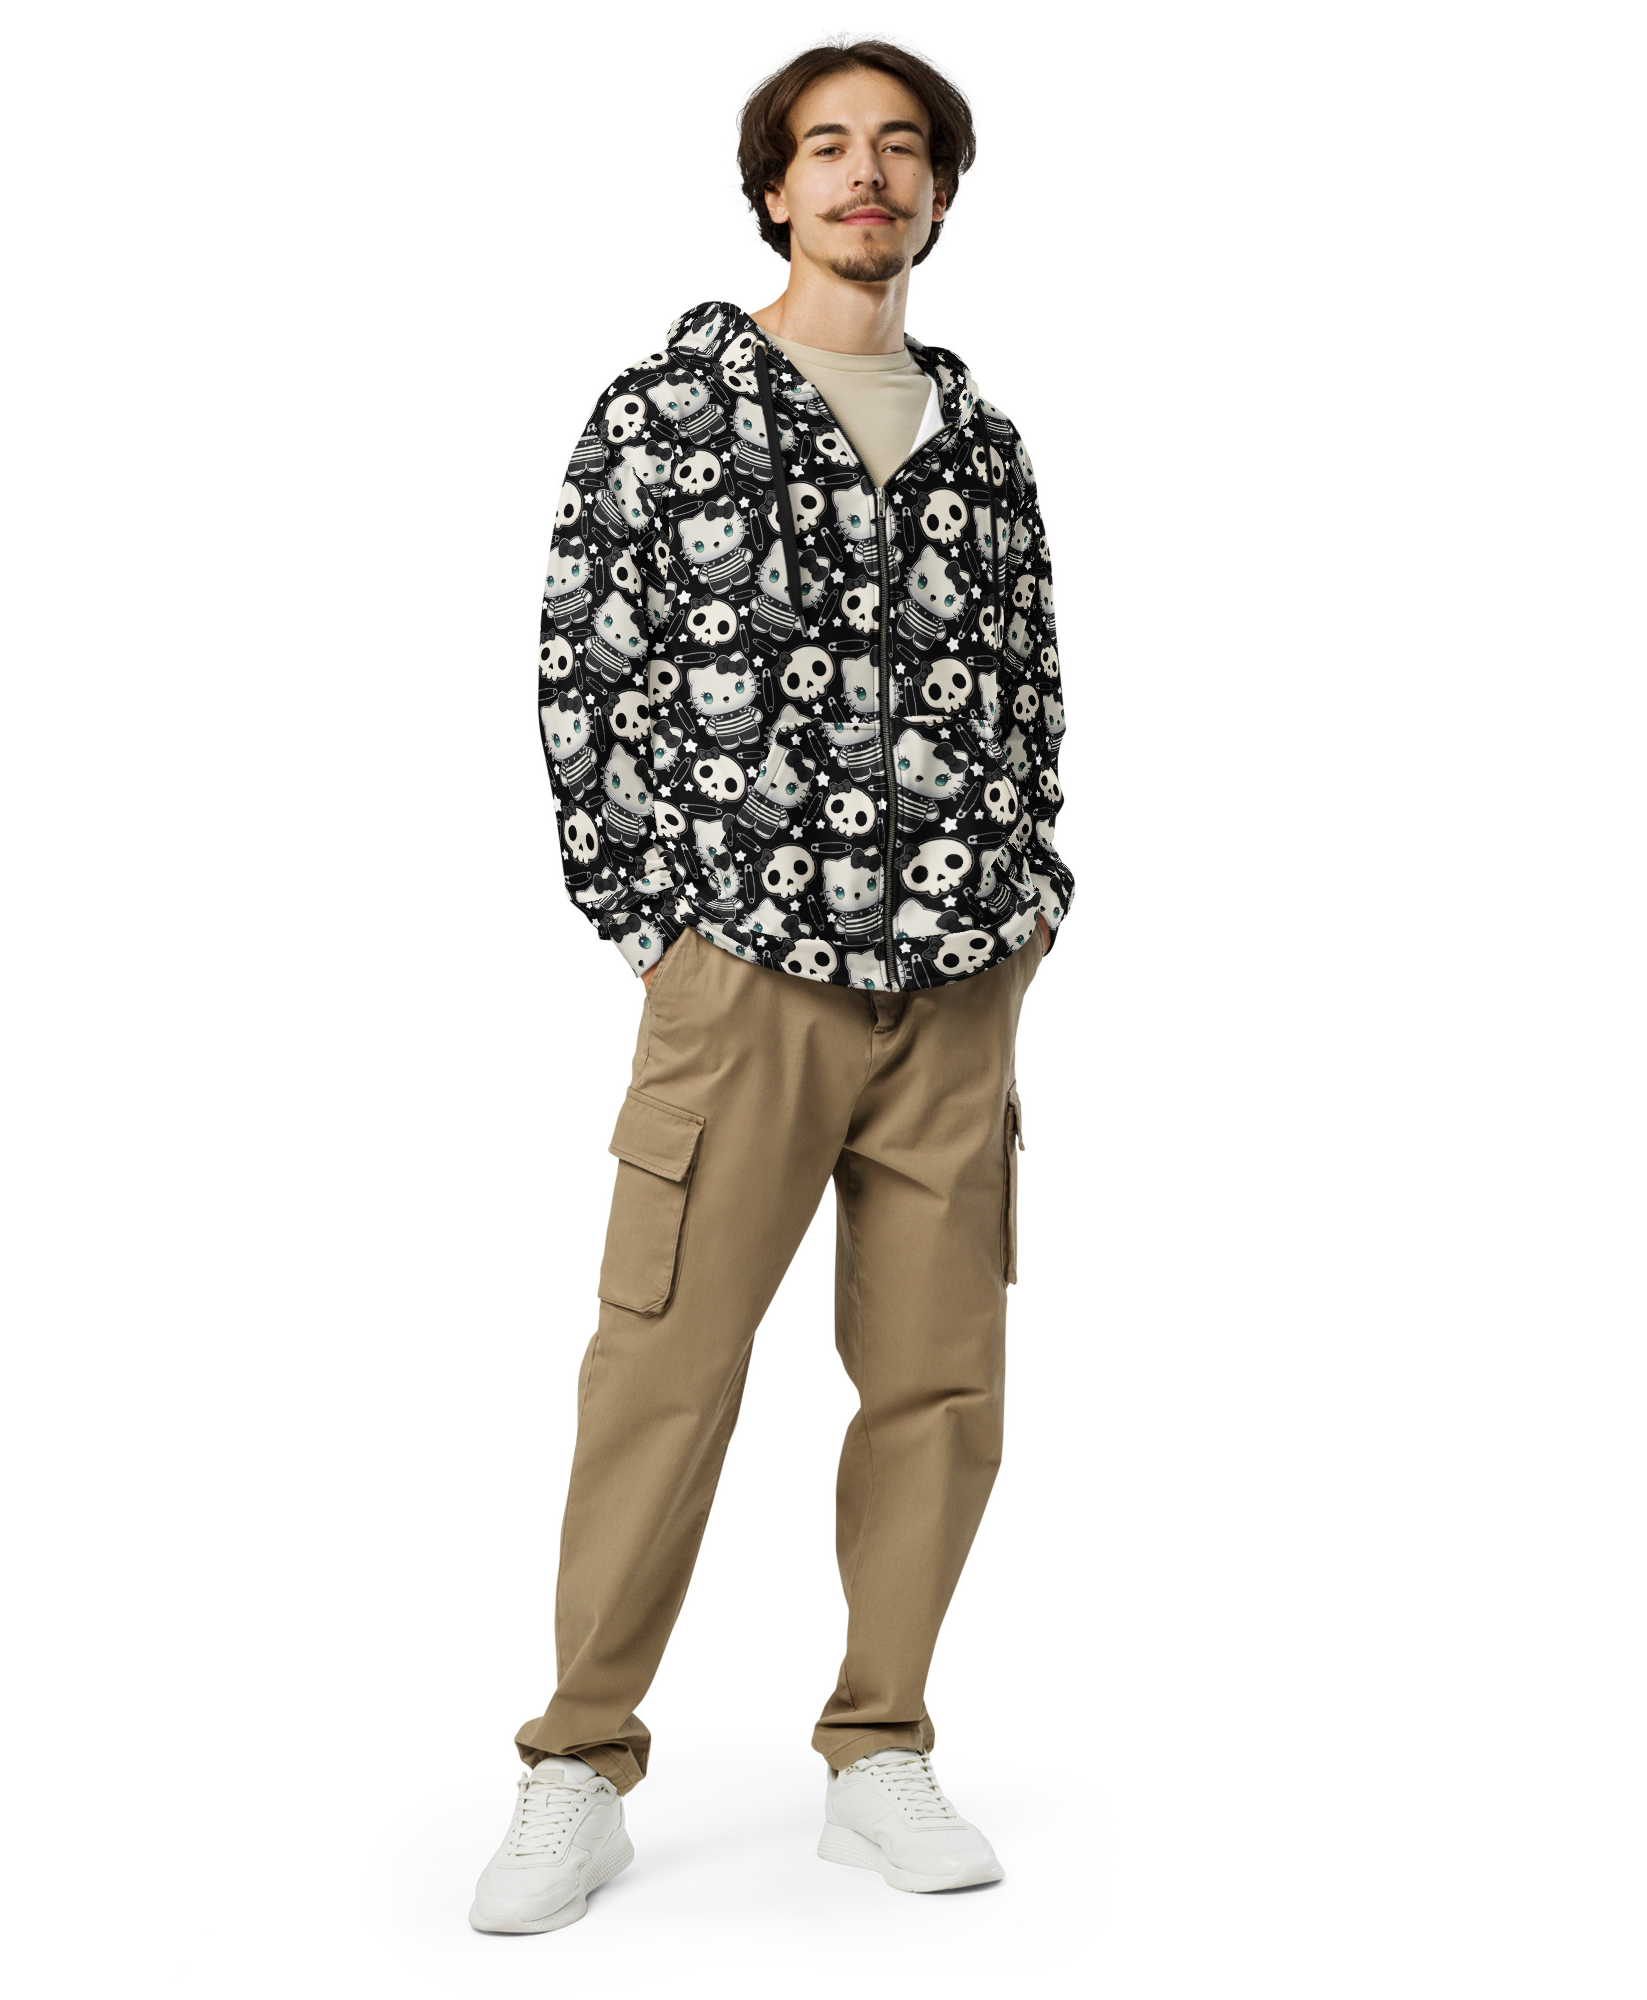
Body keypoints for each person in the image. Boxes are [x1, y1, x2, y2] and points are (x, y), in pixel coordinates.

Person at [473, 36, 1076, 1934]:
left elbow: (1030, 692)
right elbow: (583, 678)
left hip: (958, 982)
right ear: (774, 189)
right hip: (745, 978)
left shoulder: (984, 446)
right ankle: (577, 1764)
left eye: (900, 148)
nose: (865, 175)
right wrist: (661, 928)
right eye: (828, 148)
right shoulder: (668, 413)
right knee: (663, 1367)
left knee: (940, 1379)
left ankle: (878, 1744)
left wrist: (1028, 903)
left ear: (940, 193)